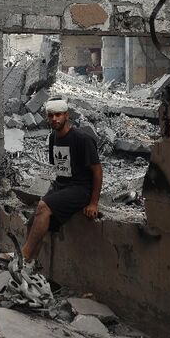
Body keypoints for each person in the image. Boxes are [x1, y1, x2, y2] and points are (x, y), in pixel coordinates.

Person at [20, 98, 103, 262]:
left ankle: (23, 256)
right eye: (50, 116)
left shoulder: (82, 139)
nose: (54, 119)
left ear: (66, 115)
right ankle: (29, 266)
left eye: (58, 115)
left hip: (80, 189)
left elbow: (98, 171)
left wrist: (93, 203)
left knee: (43, 207)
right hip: (62, 186)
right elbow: (60, 167)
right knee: (32, 222)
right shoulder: (52, 138)